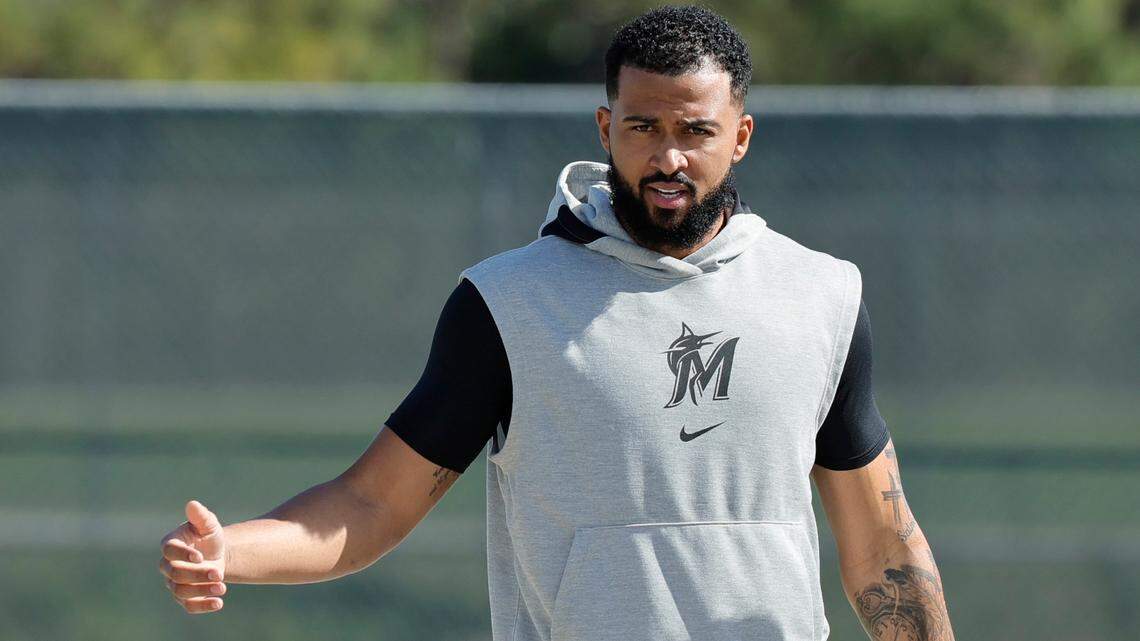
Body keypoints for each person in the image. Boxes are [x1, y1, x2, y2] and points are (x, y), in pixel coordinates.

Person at [158, 6, 955, 640]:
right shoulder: (510, 303)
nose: (668, 157)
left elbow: (883, 545)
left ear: (740, 137)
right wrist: (234, 549)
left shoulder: (821, 294)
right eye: (644, 127)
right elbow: (373, 505)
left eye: (695, 130)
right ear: (606, 130)